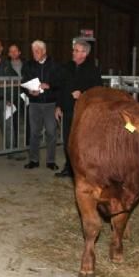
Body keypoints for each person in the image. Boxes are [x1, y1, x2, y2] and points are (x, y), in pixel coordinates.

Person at [55, 39, 102, 177]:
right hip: (68, 110)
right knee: (68, 140)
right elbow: (61, 88)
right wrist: (58, 106)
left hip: (84, 112)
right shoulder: (67, 67)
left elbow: (97, 91)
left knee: (81, 141)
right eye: (74, 50)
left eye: (76, 50)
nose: (73, 53)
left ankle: (82, 169)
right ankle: (68, 167)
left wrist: (83, 94)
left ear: (84, 53)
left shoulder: (92, 70)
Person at [22, 40, 63, 170]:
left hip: (50, 103)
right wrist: (29, 91)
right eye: (33, 51)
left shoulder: (55, 65)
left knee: (51, 132)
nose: (34, 54)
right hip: (34, 104)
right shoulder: (28, 65)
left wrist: (49, 86)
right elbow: (24, 82)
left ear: (44, 51)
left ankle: (51, 161)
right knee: (34, 132)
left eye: (37, 51)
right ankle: (34, 160)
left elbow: (60, 84)